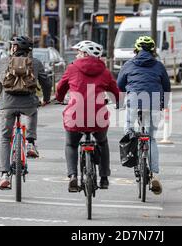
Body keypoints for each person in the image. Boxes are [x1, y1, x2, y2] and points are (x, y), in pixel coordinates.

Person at [0, 36, 51, 189]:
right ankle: (30, 143)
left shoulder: (4, 62)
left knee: (5, 137)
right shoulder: (35, 63)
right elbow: (46, 82)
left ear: (14, 48)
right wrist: (46, 99)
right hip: (28, 103)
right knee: (33, 112)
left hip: (7, 104)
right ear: (29, 50)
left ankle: (4, 175)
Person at [55, 40, 120, 192]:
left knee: (71, 144)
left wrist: (59, 98)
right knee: (102, 142)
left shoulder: (72, 68)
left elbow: (60, 87)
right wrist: (118, 102)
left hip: (75, 117)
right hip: (98, 117)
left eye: (79, 52)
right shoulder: (104, 71)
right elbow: (115, 91)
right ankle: (104, 178)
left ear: (85, 54)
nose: (77, 55)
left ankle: (73, 176)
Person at [116, 36, 171, 195]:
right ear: (153, 50)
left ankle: (132, 157)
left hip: (134, 101)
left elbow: (120, 85)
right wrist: (163, 105)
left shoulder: (128, 64)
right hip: (153, 102)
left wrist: (119, 104)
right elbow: (166, 87)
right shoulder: (159, 66)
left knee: (129, 131)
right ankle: (155, 174)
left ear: (136, 50)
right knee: (151, 138)